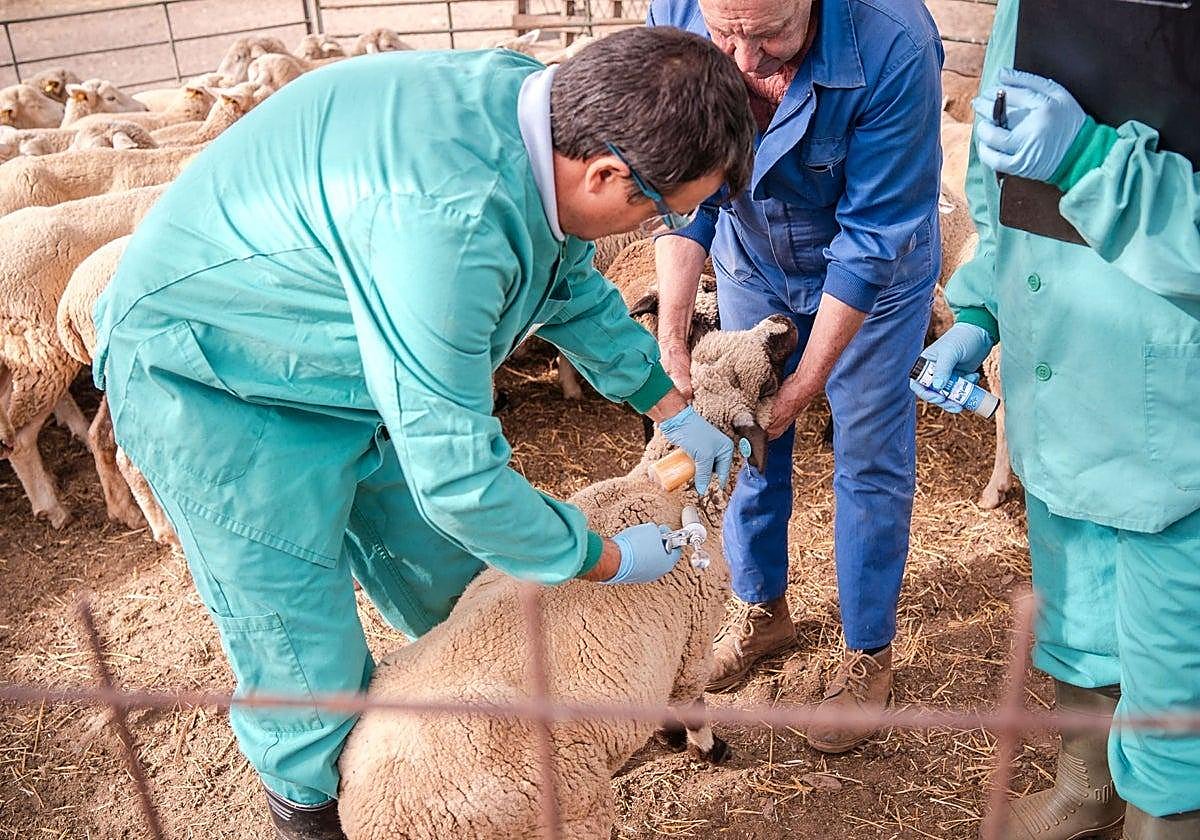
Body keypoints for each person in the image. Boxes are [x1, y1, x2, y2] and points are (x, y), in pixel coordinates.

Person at [93, 28, 754, 840]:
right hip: (221, 378)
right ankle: (321, 819)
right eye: (663, 211)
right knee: (307, 663)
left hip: (349, 359)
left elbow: (567, 284)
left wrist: (667, 403)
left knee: (461, 588)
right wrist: (604, 556)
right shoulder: (454, 223)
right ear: (608, 173)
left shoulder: (540, 118)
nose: (661, 226)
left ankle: (478, 778)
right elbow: (460, 480)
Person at [912, 1, 1200, 837]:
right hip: (1062, 384)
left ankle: (1163, 820)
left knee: (1177, 674)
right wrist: (978, 312)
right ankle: (1090, 788)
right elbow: (1001, 197)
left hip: (1173, 425)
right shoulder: (1031, 7)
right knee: (1079, 618)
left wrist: (1093, 159)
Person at [647, 0, 944, 752]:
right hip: (754, 260)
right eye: (725, 36)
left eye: (769, 36)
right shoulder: (678, 11)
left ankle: (866, 651)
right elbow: (683, 179)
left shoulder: (895, 44)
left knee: (868, 453)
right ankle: (761, 608)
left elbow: (873, 237)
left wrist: (806, 385)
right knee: (747, 446)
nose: (743, 62)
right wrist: (674, 328)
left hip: (874, 283)